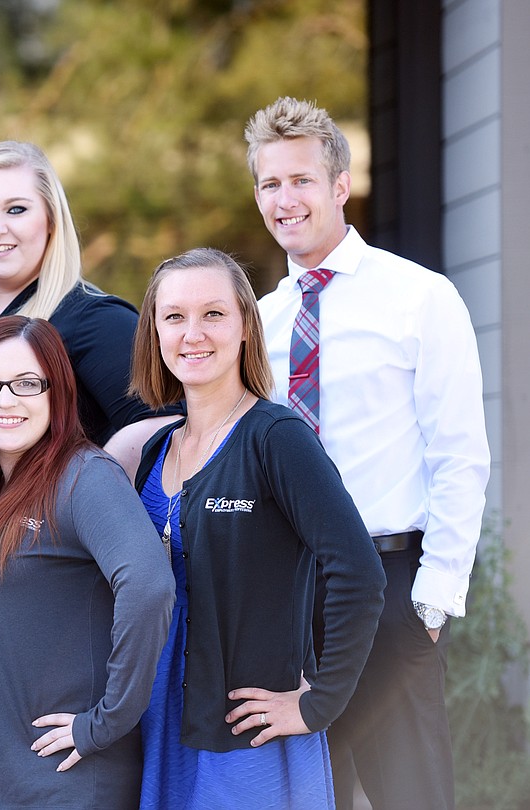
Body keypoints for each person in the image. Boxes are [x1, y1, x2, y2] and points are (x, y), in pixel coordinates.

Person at [246, 97, 490, 809]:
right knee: (297, 793)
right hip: (288, 593)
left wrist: (434, 603)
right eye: (269, 184)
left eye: (300, 181)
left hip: (389, 587)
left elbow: (460, 455)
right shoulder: (259, 321)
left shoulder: (420, 298)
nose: (284, 199)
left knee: (410, 795)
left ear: (340, 185)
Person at [126, 248, 385, 809]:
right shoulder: (155, 451)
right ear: (155, 333)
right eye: (174, 317)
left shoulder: (276, 437)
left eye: (213, 314)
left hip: (247, 736)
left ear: (246, 326)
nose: (193, 333)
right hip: (162, 723)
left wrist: (318, 702)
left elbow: (359, 572)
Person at [0, 316, 175, 809]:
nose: (5, 400)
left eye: (27, 383)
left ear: (58, 393)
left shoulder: (85, 477)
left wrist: (106, 722)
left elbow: (149, 588)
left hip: (65, 783)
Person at [0, 140, 176, 568]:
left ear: (52, 222)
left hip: (7, 585)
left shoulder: (89, 318)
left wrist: (71, 497)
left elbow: (168, 422)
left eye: (16, 210)